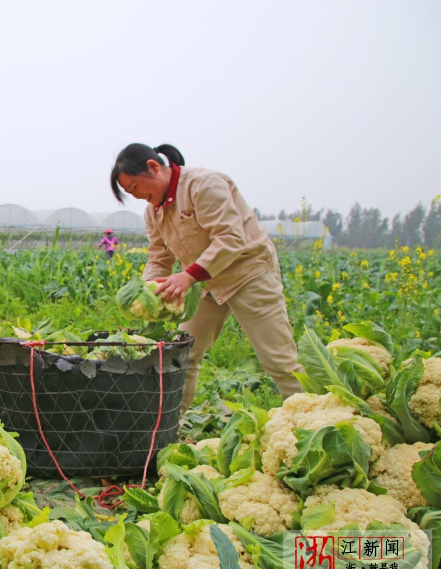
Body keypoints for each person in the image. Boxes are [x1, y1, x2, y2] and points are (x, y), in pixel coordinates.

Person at [110, 143, 302, 416]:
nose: (138, 196)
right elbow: (159, 257)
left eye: (135, 187)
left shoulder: (203, 185)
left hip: (248, 273)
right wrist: (147, 290)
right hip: (206, 283)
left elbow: (230, 238)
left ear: (153, 167)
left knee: (278, 360)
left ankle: (314, 424)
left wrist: (188, 276)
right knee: (182, 356)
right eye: (131, 193)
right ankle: (165, 428)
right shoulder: (154, 211)